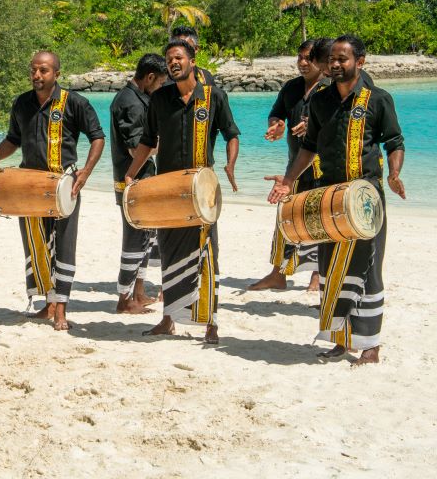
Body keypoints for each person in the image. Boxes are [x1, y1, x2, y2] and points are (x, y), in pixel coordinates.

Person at [267, 35, 405, 366]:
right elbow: (309, 147)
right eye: (332, 59)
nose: (336, 64)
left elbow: (394, 141)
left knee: (368, 269)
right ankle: (340, 341)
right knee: (330, 269)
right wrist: (288, 181)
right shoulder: (321, 102)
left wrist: (394, 174)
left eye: (343, 59)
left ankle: (370, 346)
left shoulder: (377, 100)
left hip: (366, 197)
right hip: (327, 195)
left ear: (361, 62)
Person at [0, 51, 105, 331]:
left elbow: (97, 137)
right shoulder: (22, 103)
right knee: (36, 244)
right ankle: (47, 304)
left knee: (63, 246)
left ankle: (61, 309)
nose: (37, 75)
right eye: (34, 70)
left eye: (44, 70)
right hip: (28, 186)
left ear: (56, 75)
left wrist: (85, 172)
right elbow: (13, 139)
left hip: (65, 185)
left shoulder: (75, 103)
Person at [125, 40, 240, 343]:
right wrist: (131, 173)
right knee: (170, 250)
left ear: (192, 60)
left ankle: (211, 323)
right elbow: (147, 141)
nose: (173, 62)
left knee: (206, 253)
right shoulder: (160, 99)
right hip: (168, 188)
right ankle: (168, 319)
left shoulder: (213, 96)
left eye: (178, 57)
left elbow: (231, 134)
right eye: (169, 59)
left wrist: (230, 165)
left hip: (203, 190)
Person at [249, 40, 329, 291]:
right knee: (285, 218)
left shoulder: (331, 88)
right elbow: (276, 113)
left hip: (323, 167)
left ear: (319, 60)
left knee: (320, 220)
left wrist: (315, 126)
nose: (303, 63)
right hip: (294, 166)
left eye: (309, 58)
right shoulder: (291, 87)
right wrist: (276, 125)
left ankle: (317, 275)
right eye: (300, 57)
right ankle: (278, 273)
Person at [110, 53, 168, 313]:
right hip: (133, 182)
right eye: (159, 83)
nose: (159, 89)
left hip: (140, 180)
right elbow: (136, 150)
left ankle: (138, 292)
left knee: (146, 238)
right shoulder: (130, 103)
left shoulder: (135, 98)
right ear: (150, 77)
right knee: (134, 239)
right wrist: (167, 144)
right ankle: (124, 300)